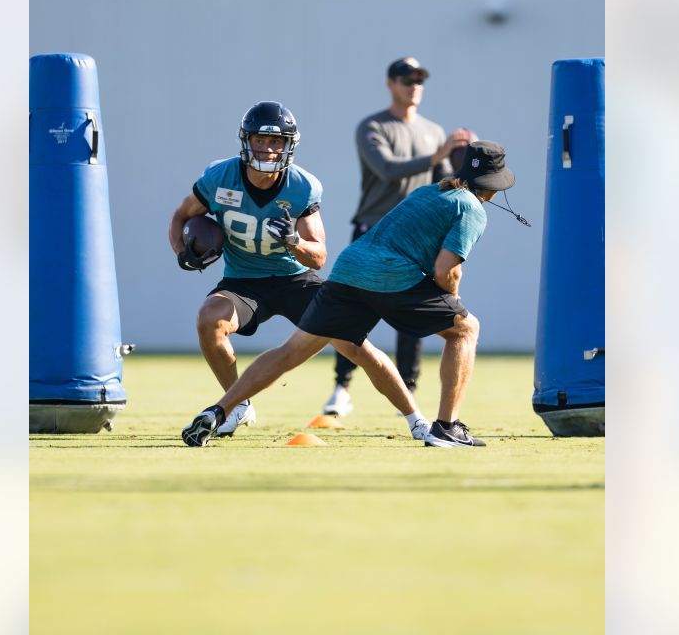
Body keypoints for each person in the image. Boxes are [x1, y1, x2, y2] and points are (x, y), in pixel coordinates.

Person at [182, 140, 518, 448]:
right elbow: (447, 271)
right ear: (492, 185)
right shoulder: (472, 209)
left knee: (290, 351)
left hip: (349, 269)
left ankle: (218, 411)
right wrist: (452, 305)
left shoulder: (430, 191)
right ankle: (446, 427)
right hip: (390, 275)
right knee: (464, 328)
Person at [168, 101, 431, 440]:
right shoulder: (219, 177)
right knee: (209, 319)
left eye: (277, 141)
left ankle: (416, 419)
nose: (268, 148)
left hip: (295, 280)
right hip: (243, 281)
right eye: (261, 140)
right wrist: (181, 252)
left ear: (289, 145)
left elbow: (319, 256)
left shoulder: (302, 186)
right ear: (245, 141)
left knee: (357, 347)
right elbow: (180, 215)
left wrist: (293, 242)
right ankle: (237, 406)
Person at [323, 56, 475, 418]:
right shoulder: (373, 126)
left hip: (414, 238)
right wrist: (436, 154)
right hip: (373, 231)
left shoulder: (434, 131)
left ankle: (407, 390)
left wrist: (468, 163)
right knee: (352, 310)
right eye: (407, 79)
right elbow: (387, 169)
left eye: (419, 80)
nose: (414, 86)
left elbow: (443, 178)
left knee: (415, 314)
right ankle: (342, 387)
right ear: (390, 83)